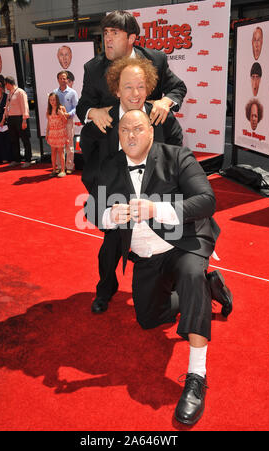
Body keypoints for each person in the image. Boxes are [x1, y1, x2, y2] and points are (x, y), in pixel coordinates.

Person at [85, 109, 226, 425]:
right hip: (147, 257)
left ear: (150, 131)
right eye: (124, 130)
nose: (131, 135)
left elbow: (206, 200)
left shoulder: (176, 156)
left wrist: (157, 208)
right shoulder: (110, 166)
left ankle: (196, 376)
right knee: (148, 319)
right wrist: (108, 217)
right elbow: (91, 208)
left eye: (137, 128)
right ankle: (209, 287)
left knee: (191, 274)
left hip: (184, 243)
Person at [81, 56, 232, 318]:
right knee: (108, 251)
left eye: (141, 87)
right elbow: (89, 153)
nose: (135, 93)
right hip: (118, 198)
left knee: (178, 248)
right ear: (117, 89)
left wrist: (165, 205)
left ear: (149, 88)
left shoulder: (162, 118)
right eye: (128, 87)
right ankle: (105, 291)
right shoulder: (102, 120)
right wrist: (102, 193)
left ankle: (199, 287)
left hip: (157, 201)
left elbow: (177, 157)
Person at [76, 10, 187, 133]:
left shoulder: (155, 60)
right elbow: (83, 106)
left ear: (131, 38)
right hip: (113, 141)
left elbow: (177, 87)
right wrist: (93, 112)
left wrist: (165, 102)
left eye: (115, 33)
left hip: (151, 138)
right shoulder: (93, 68)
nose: (108, 39)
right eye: (106, 33)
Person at [0, 76, 32, 168]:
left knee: (25, 140)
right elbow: (7, 107)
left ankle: (28, 160)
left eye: (5, 85)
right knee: (13, 140)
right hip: (11, 119)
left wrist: (24, 120)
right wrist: (3, 119)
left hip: (20, 118)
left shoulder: (20, 92)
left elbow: (25, 107)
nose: (5, 87)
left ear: (8, 83)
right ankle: (16, 160)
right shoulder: (10, 93)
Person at [54, 71, 78, 174]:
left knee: (69, 143)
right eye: (61, 78)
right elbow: (52, 106)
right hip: (58, 122)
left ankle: (69, 166)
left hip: (68, 121)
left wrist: (68, 114)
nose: (63, 80)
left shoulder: (72, 92)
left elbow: (76, 107)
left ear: (67, 80)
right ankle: (60, 166)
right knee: (59, 144)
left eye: (65, 78)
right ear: (58, 80)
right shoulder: (54, 92)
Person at [46, 93, 68, 178]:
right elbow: (49, 122)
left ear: (57, 100)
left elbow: (65, 121)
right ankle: (54, 170)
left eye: (54, 99)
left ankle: (63, 170)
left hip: (60, 132)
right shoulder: (49, 110)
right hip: (52, 133)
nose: (52, 101)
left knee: (61, 151)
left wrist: (62, 114)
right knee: (53, 152)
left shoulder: (61, 108)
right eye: (51, 100)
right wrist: (47, 133)